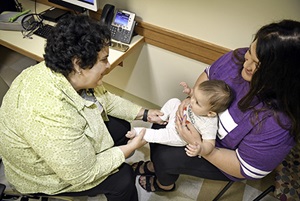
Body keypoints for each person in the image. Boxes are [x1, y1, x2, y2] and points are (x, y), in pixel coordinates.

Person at [0, 15, 164, 201]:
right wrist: (128, 149)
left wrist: (146, 114)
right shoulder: (51, 113)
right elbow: (83, 174)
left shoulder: (61, 70)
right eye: (104, 59)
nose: (109, 65)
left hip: (63, 144)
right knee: (123, 178)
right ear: (78, 64)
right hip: (42, 174)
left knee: (121, 127)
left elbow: (105, 100)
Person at [134, 19, 300, 193]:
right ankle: (156, 167)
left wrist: (202, 147)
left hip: (221, 153)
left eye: (257, 65)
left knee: (165, 156)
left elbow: (245, 167)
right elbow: (207, 78)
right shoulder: (237, 58)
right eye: (250, 52)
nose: (246, 63)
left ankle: (164, 185)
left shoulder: (280, 122)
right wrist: (191, 100)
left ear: (281, 77)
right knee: (161, 122)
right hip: (198, 123)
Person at [126, 80, 233, 159]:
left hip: (179, 134)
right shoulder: (197, 100)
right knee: (175, 101)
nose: (191, 101)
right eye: (194, 97)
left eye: (197, 102)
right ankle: (161, 118)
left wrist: (200, 149)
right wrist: (190, 92)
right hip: (178, 115)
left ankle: (138, 132)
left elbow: (209, 144)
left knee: (160, 135)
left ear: (210, 113)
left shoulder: (210, 124)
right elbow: (195, 97)